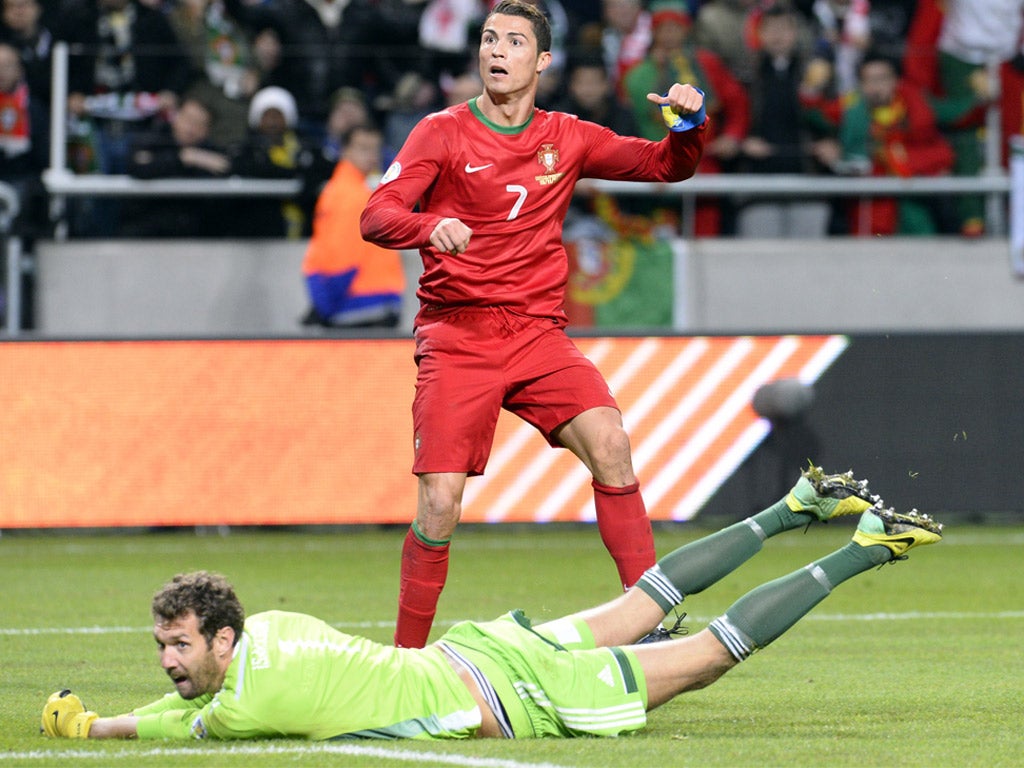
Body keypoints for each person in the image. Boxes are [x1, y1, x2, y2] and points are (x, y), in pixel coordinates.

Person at [40, 466, 944, 741]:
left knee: (704, 654)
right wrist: (130, 707)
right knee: (647, 598)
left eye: (178, 645)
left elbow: (176, 722)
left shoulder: (247, 705)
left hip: (513, 696)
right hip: (481, 652)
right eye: (165, 645)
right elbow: (190, 696)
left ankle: (865, 547)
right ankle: (792, 507)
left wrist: (99, 729)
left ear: (222, 639)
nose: (169, 661)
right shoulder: (275, 629)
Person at [359, 0, 707, 649]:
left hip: (536, 333)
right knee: (439, 503)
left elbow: (667, 165)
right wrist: (429, 225)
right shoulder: (441, 132)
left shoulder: (567, 136)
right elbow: (377, 216)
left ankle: (649, 622)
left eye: (514, 41)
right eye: (490, 38)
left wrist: (688, 127)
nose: (496, 50)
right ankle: (404, 663)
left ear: (542, 60)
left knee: (610, 441)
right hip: (458, 333)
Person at [620, 0, 749, 236]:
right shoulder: (637, 73)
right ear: (654, 32)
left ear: (686, 30)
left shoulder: (706, 64)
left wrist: (732, 136)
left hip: (704, 162)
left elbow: (737, 101)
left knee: (705, 236)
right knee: (657, 239)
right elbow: (627, 121)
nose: (669, 34)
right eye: (663, 28)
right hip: (655, 165)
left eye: (675, 27)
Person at [810, 50, 955, 236]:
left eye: (881, 79)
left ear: (895, 80)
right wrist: (811, 89)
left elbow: (945, 141)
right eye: (868, 80)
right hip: (869, 212)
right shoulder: (852, 108)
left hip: (912, 208)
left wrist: (899, 158)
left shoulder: (916, 107)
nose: (875, 87)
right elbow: (816, 114)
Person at [301, 124, 406, 329]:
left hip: (361, 299)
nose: (371, 155)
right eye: (363, 148)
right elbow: (343, 255)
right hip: (361, 301)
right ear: (345, 150)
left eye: (375, 148)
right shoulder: (353, 195)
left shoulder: (346, 190)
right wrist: (327, 303)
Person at [121, 96, 232, 238]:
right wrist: (181, 158)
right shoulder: (152, 139)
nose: (191, 129)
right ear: (176, 117)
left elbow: (225, 168)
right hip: (145, 231)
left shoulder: (211, 152)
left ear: (207, 130)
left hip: (195, 237)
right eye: (188, 119)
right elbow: (137, 166)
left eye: (199, 124)